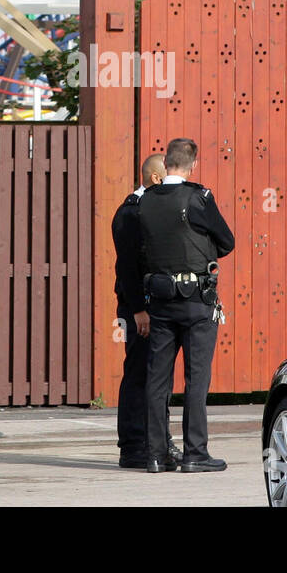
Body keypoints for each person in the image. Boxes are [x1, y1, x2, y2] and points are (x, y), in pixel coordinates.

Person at [138, 137, 235, 473]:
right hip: (196, 302)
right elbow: (227, 241)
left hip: (160, 302)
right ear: (192, 163)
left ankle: (155, 454)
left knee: (157, 380)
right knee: (196, 379)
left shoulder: (146, 200)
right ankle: (195, 453)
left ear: (165, 164)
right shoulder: (198, 197)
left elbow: (142, 249)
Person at [111, 153, 179, 470]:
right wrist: (138, 309)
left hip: (155, 305)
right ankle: (133, 446)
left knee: (158, 375)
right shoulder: (130, 212)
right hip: (137, 306)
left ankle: (158, 442)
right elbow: (127, 266)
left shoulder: (150, 209)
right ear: (155, 178)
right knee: (139, 372)